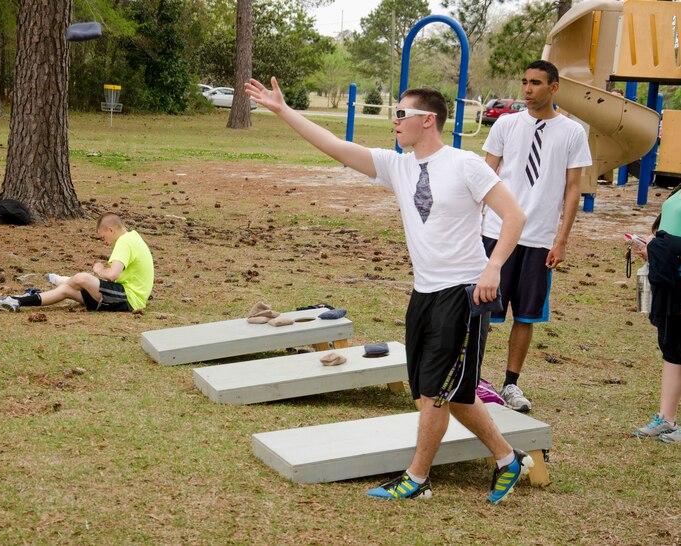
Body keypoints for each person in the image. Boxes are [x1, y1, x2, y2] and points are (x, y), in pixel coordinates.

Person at [245, 77, 530, 502]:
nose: (394, 121)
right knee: (443, 391)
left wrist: (492, 270)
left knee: (435, 392)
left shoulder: (466, 163)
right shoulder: (399, 166)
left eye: (401, 114)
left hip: (463, 292)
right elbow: (334, 146)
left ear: (427, 120)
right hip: (424, 293)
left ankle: (417, 480)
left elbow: (514, 216)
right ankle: (508, 459)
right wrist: (284, 111)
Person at [481, 60, 592, 412]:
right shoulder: (506, 124)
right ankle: (472, 378)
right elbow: (485, 175)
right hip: (496, 232)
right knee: (480, 309)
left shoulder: (573, 133)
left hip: (540, 238)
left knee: (526, 315)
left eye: (537, 83)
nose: (528, 89)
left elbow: (573, 190)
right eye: (525, 81)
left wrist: (561, 239)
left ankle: (511, 385)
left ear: (554, 88)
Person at [0, 212, 154, 313]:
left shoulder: (124, 242)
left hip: (130, 300)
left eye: (103, 236)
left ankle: (61, 279)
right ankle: (16, 301)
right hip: (119, 297)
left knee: (82, 278)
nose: (104, 241)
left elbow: (112, 275)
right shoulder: (133, 237)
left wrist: (99, 268)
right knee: (66, 290)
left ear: (111, 230)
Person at [631, 185, 681, 444]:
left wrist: (660, 248)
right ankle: (666, 419)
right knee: (672, 348)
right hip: (672, 280)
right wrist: (653, 248)